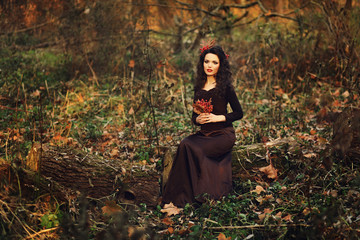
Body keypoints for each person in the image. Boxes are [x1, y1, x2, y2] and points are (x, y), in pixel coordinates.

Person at [162, 44, 243, 208]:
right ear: (202, 63)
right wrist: (197, 120)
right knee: (185, 144)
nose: (210, 66)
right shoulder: (198, 86)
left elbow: (238, 113)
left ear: (221, 65)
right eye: (207, 61)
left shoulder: (225, 87)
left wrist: (217, 118)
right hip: (204, 134)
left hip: (223, 134)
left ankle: (202, 197)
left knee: (196, 150)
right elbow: (194, 115)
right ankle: (179, 197)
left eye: (214, 62)